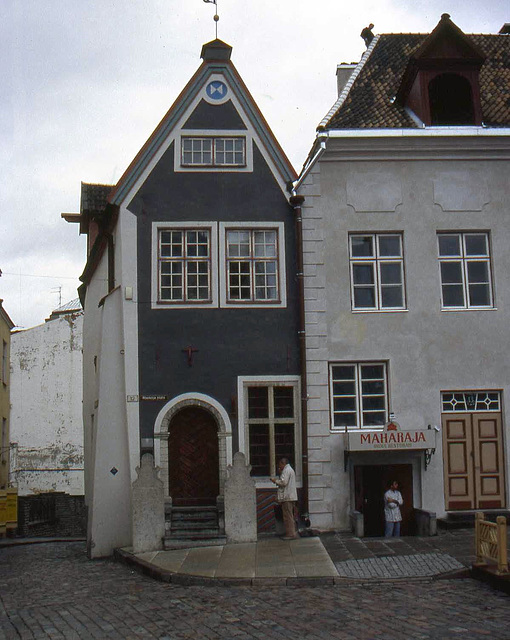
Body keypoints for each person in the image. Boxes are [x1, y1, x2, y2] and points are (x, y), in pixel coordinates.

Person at [271, 458, 298, 539]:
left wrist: (275, 481)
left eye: (279, 465)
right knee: (289, 515)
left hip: (287, 497)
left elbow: (284, 482)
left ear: (283, 463)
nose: (279, 467)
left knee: (288, 516)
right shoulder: (289, 470)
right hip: (289, 496)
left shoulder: (286, 470)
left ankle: (290, 534)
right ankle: (291, 532)